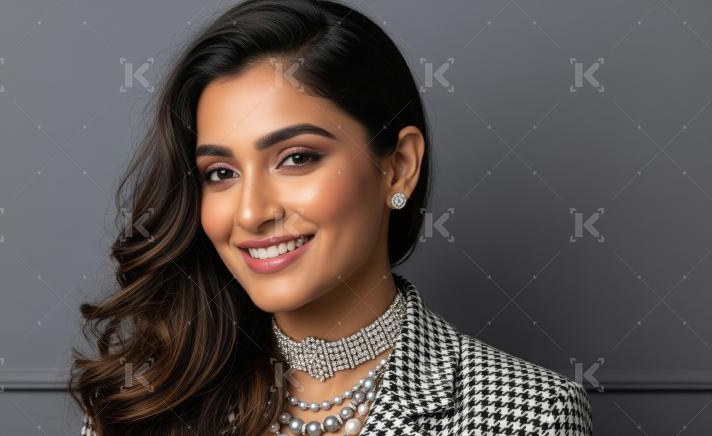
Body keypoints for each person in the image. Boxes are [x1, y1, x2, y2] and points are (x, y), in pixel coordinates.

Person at [70, 0, 593, 434]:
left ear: (399, 167)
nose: (251, 212)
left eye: (296, 158)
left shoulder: (528, 415)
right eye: (221, 172)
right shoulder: (142, 404)